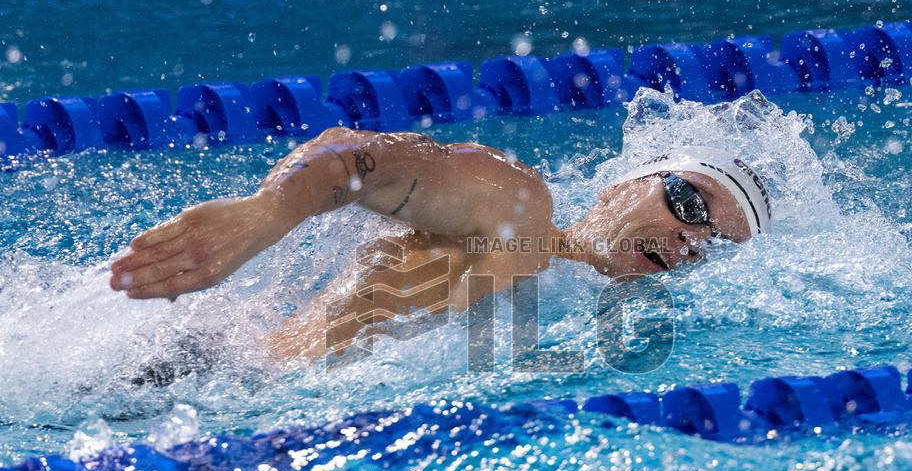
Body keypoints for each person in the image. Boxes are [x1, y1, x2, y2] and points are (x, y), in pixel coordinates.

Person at [109, 127, 771, 360]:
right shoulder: (516, 212)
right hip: (195, 382)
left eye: (716, 243)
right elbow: (351, 157)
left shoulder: (606, 335)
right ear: (618, 188)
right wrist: (265, 214)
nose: (690, 238)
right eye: (688, 202)